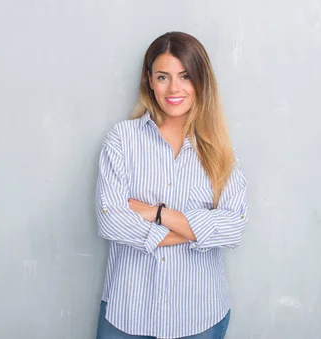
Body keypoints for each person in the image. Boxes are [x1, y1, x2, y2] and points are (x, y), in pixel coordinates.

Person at [94, 31, 248, 339]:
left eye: (185, 76)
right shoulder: (122, 140)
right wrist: (199, 231)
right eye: (163, 76)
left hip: (199, 317)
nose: (174, 88)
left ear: (200, 81)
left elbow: (234, 228)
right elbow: (111, 222)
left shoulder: (219, 150)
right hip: (129, 314)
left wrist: (157, 213)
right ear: (149, 80)